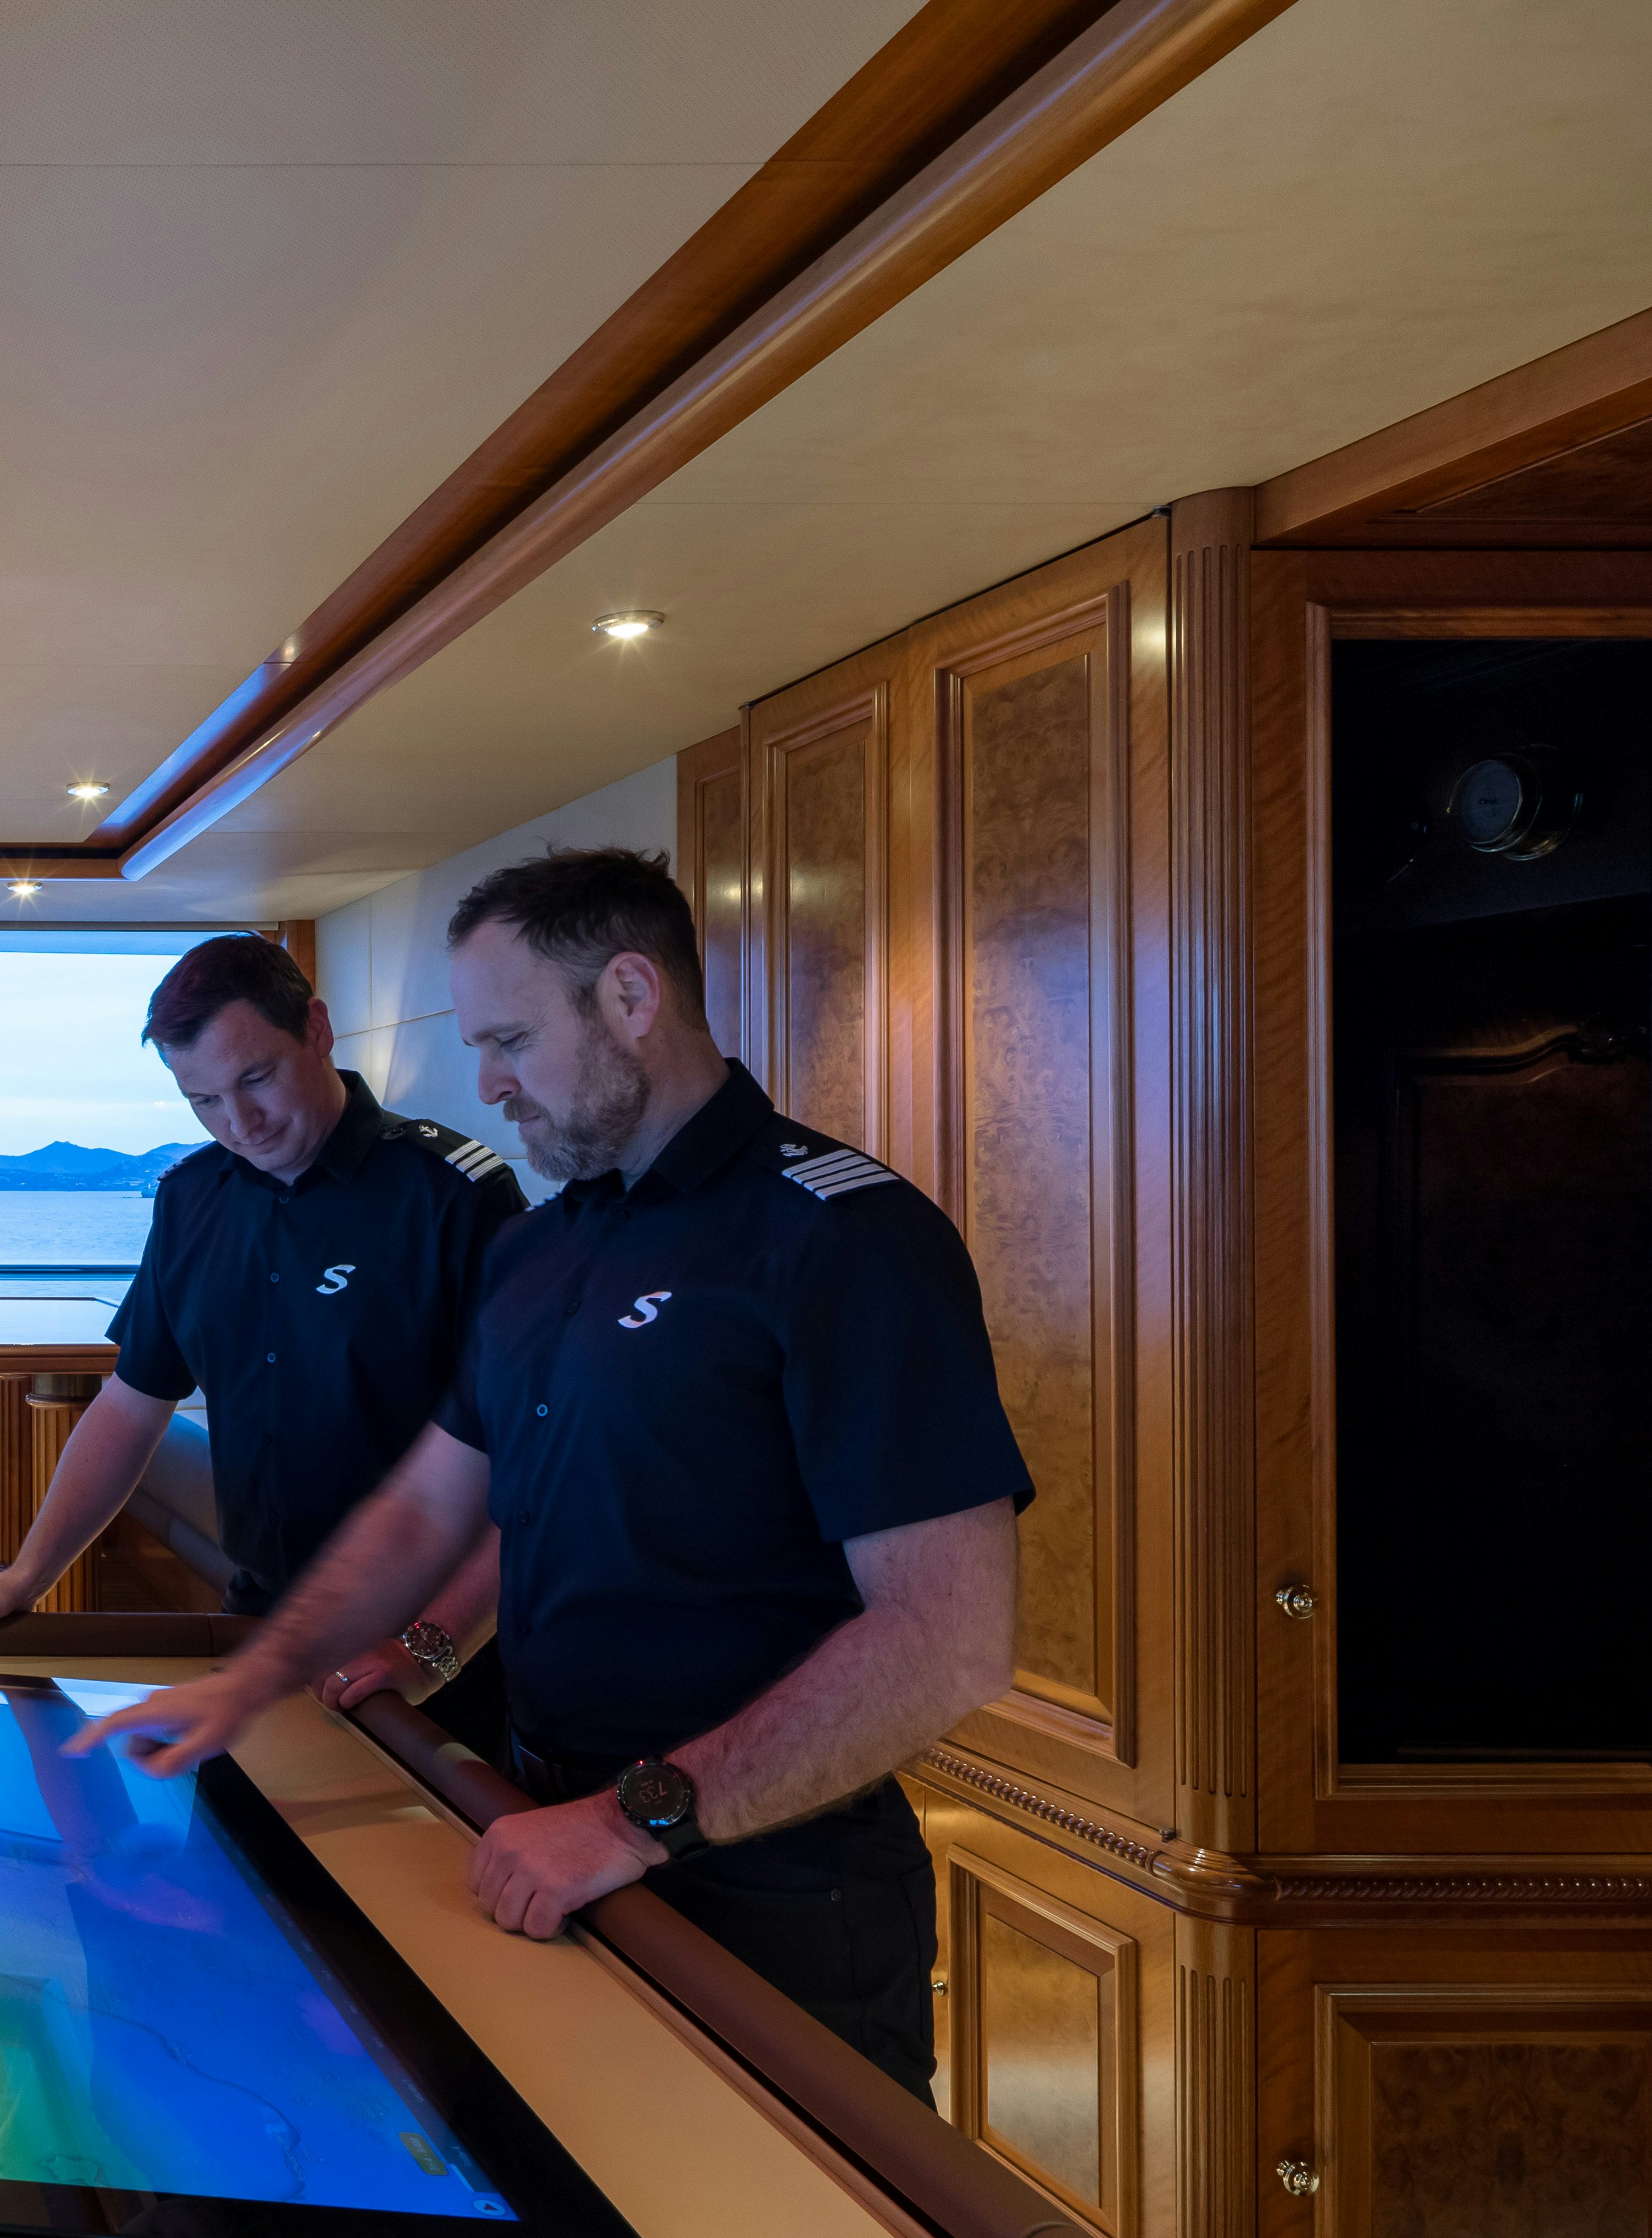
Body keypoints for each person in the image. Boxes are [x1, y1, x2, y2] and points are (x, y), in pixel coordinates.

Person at [76, 851, 1026, 2095]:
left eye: (512, 1038)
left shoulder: (840, 1236)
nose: (487, 1082)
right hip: (538, 1825)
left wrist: (636, 1818)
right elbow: (425, 1508)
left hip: (773, 1880)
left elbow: (948, 1636)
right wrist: (249, 1683)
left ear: (631, 995)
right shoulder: (542, 1252)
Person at [0, 930, 527, 1744]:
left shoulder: (454, 1197)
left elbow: (526, 1465)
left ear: (315, 1030)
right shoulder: (190, 1199)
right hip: (260, 1618)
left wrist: (429, 1654)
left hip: (436, 1642)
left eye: (257, 1078)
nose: (238, 1122)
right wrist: (28, 1575)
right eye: (203, 1101)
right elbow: (132, 1404)